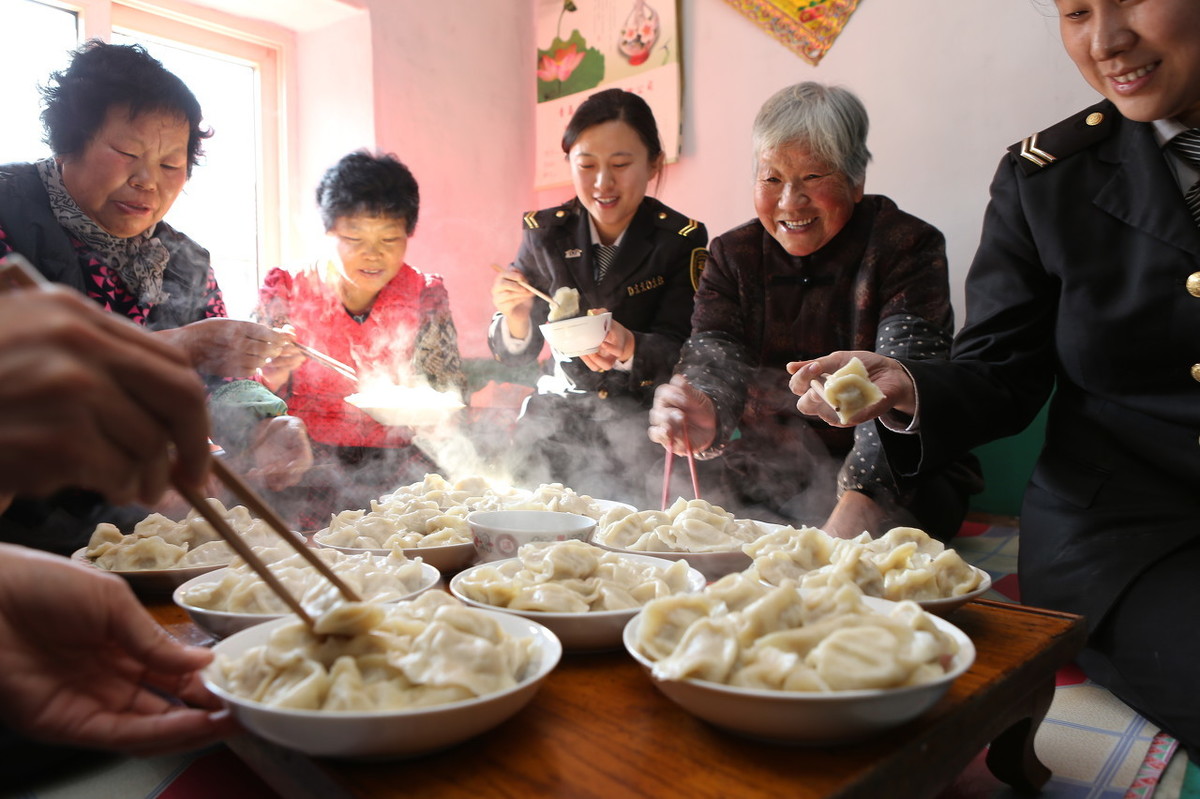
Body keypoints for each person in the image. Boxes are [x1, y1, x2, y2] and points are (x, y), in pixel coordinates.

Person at [789, 0, 1200, 762]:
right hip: (1131, 533)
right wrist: (906, 385)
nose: (1106, 41)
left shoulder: (902, 241)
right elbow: (1000, 371)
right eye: (1076, 11)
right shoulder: (1047, 178)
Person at [0, 40, 311, 553]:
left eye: (171, 164)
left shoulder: (183, 261)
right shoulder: (10, 213)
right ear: (70, 140)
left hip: (147, 541)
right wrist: (178, 346)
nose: (147, 181)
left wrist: (266, 426)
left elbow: (221, 385)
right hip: (24, 543)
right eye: (127, 154)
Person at [648, 82, 979, 541]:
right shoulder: (733, 255)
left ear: (856, 179)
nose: (789, 202)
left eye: (813, 178)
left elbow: (906, 374)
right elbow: (713, 349)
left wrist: (854, 508)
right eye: (772, 178)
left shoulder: (906, 246)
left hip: (896, 481)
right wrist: (704, 412)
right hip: (767, 474)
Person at [0, 280, 236, 776]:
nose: (148, 194)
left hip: (69, 633)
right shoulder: (12, 228)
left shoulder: (185, 261)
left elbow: (222, 400)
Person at [489, 88, 707, 506]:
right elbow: (516, 353)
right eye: (586, 165)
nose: (603, 183)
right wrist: (516, 317)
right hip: (554, 425)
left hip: (641, 431)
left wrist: (631, 348)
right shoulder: (545, 232)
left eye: (621, 165)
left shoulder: (679, 239)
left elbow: (688, 346)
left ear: (654, 164)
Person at [255, 151, 468, 527]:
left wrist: (433, 407)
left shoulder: (424, 292)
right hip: (306, 462)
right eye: (354, 237)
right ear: (328, 231)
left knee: (427, 536)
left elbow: (447, 389)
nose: (374, 254)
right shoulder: (286, 289)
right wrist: (270, 372)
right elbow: (248, 395)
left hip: (397, 461)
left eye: (390, 238)